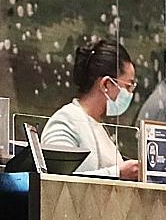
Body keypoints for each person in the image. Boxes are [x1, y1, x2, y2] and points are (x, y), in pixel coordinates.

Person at [40, 39, 142, 180]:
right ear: (106, 84)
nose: (130, 93)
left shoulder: (98, 126)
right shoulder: (66, 120)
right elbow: (56, 181)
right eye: (128, 86)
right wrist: (118, 173)